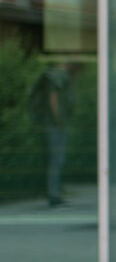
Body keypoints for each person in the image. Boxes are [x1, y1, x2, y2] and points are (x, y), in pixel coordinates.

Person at [28, 61, 74, 207]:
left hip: (55, 124)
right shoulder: (54, 78)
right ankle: (53, 195)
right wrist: (59, 120)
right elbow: (53, 100)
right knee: (56, 160)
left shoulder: (57, 77)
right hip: (55, 125)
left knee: (58, 160)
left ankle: (55, 193)